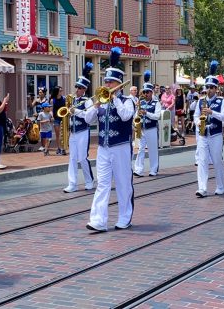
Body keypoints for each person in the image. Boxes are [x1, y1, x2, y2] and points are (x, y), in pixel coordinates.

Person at [84, 47, 135, 231]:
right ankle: (98, 220)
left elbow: (126, 116)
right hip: (103, 148)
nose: (107, 85)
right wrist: (96, 105)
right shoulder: (101, 102)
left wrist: (115, 99)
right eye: (106, 81)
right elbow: (87, 119)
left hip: (121, 146)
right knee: (102, 184)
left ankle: (125, 217)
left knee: (123, 183)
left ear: (119, 84)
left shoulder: (128, 100)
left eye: (110, 82)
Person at [194, 60, 224, 197]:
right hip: (203, 134)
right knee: (202, 161)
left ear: (216, 88)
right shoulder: (200, 101)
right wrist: (198, 122)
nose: (209, 89)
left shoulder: (221, 101)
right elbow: (195, 116)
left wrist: (212, 112)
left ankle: (221, 186)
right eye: (207, 87)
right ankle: (202, 188)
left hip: (216, 134)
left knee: (217, 160)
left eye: (211, 87)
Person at [64, 62, 95, 193]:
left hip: (83, 131)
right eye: (76, 86)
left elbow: (89, 117)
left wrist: (75, 111)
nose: (76, 89)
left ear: (84, 89)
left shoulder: (88, 100)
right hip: (73, 132)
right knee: (72, 158)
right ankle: (72, 184)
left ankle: (89, 181)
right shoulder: (72, 100)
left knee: (82, 157)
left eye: (79, 87)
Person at [134, 71, 162, 177]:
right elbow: (135, 116)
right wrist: (137, 117)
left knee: (153, 150)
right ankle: (138, 169)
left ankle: (153, 169)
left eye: (148, 92)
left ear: (151, 92)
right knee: (140, 149)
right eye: (144, 92)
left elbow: (157, 116)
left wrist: (146, 113)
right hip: (142, 129)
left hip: (152, 129)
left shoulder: (156, 103)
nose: (145, 94)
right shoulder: (141, 103)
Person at [50, 86, 67, 156]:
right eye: (60, 91)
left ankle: (64, 148)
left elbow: (66, 108)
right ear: (57, 91)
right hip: (56, 118)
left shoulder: (64, 99)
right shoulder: (52, 100)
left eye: (61, 90)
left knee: (64, 133)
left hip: (64, 118)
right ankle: (59, 148)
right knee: (58, 134)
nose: (61, 92)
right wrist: (52, 116)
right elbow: (51, 110)